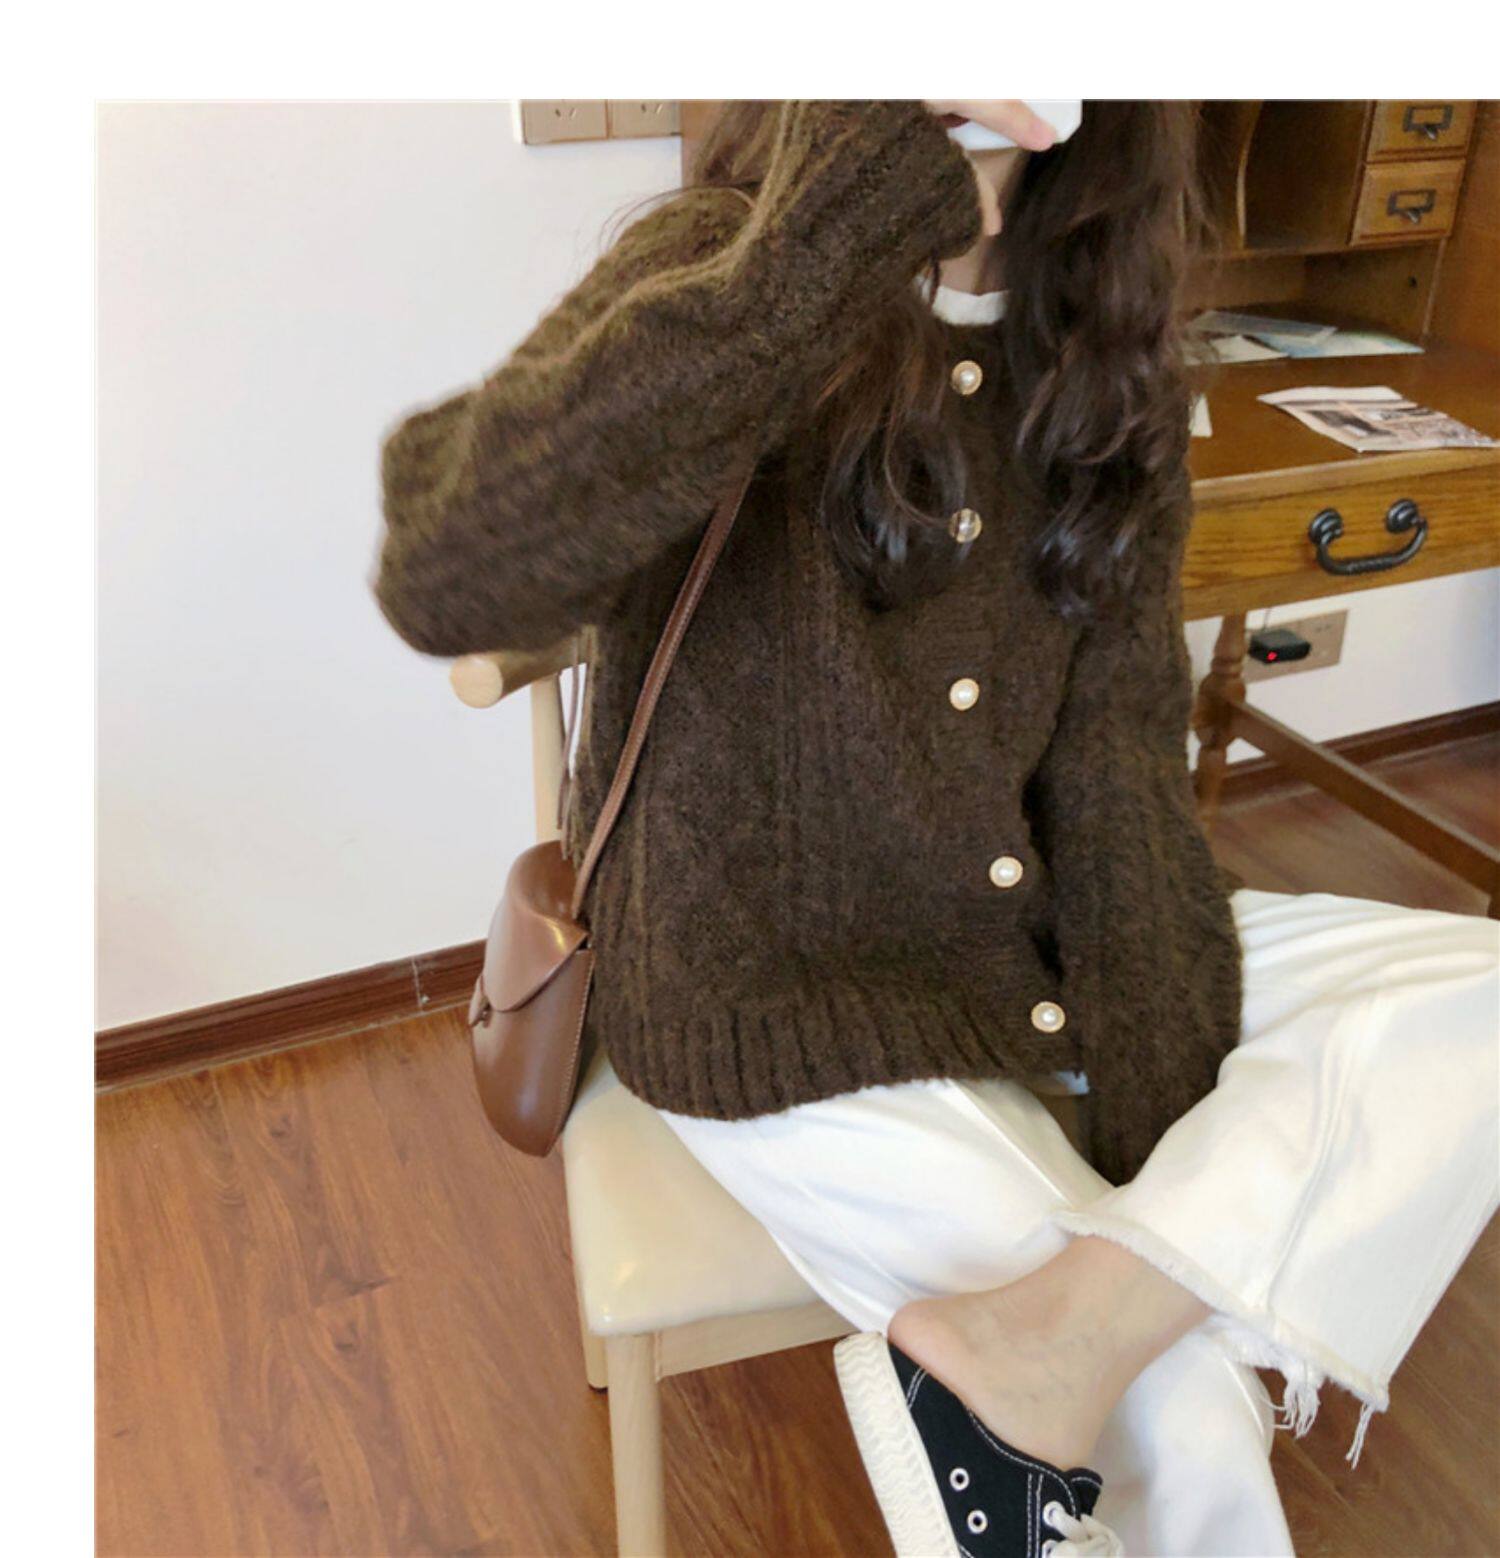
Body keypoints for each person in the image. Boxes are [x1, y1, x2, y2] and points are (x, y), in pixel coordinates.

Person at [374, 100, 1500, 1557]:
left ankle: (1049, 1343)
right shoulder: (731, 261)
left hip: (1009, 953)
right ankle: (1064, 1361)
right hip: (766, 989)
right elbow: (445, 570)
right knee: (1177, 1410)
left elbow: (1115, 770)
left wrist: (1152, 1138)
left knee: (1465, 1010)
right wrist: (839, 215)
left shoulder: (1103, 349)